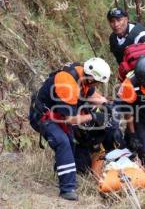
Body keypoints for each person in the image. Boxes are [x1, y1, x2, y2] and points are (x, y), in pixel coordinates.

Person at [29, 58, 114, 201]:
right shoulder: (67, 82)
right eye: (97, 82)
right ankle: (67, 189)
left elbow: (91, 95)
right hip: (42, 116)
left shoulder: (83, 74)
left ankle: (62, 171)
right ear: (90, 77)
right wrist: (93, 116)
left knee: (71, 143)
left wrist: (107, 103)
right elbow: (70, 119)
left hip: (58, 115)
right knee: (62, 142)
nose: (98, 85)